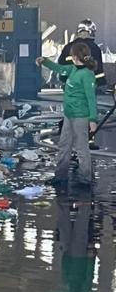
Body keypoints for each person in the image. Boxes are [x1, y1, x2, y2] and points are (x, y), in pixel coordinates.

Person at [37, 42, 98, 186]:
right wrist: (44, 61)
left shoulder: (87, 75)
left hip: (80, 117)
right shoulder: (73, 69)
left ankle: (85, 179)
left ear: (75, 56)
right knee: (64, 145)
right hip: (69, 115)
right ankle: (60, 176)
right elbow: (59, 68)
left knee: (82, 148)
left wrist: (93, 119)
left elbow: (91, 98)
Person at [58, 19, 105, 88]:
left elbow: (61, 63)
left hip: (69, 83)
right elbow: (98, 68)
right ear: (91, 32)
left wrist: (63, 80)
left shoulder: (67, 47)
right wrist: (101, 83)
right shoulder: (95, 48)